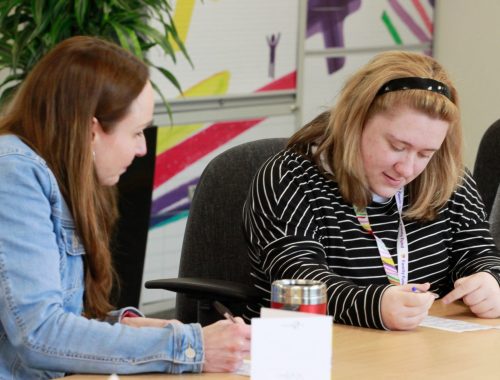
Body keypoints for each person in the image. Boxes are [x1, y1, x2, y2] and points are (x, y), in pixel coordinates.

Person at [0, 36, 250, 379]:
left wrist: (139, 327)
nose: (142, 148)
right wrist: (190, 346)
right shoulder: (14, 175)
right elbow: (39, 333)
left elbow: (66, 319)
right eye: (136, 132)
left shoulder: (62, 176)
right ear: (91, 131)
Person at [243, 50, 500, 331]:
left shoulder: (447, 177)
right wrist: (376, 305)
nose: (407, 168)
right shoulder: (291, 177)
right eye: (397, 146)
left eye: (425, 153)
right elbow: (298, 281)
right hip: (306, 351)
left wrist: (490, 281)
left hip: (418, 350)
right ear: (356, 120)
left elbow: (478, 253)